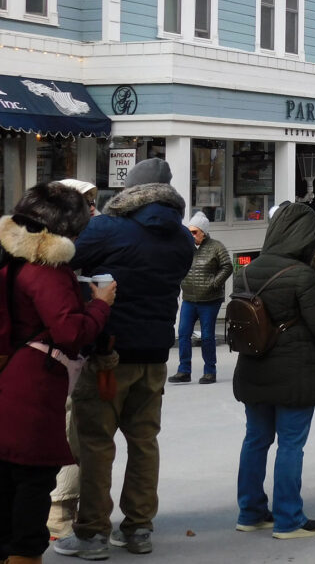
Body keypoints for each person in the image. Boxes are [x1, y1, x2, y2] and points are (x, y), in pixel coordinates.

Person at [56, 158, 195, 559]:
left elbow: (66, 261)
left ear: (129, 192)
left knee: (96, 444)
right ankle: (138, 529)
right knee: (144, 440)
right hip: (155, 353)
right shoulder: (184, 238)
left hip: (108, 353)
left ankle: (92, 533)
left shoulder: (106, 228)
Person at [0, 183, 115, 564]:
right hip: (33, 387)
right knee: (32, 482)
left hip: (10, 379)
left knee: (9, 481)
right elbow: (71, 332)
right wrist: (100, 305)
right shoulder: (45, 272)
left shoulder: (11, 261)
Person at [233, 204, 315, 539]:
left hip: (253, 368)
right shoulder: (302, 274)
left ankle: (250, 512)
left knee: (256, 439)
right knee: (291, 445)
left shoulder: (246, 270)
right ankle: (288, 519)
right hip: (294, 372)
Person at [47, 180, 98, 541]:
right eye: (86, 203)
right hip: (59, 359)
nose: (93, 209)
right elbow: (66, 325)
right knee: (69, 429)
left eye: (94, 202)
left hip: (71, 357)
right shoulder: (55, 259)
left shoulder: (85, 244)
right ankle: (60, 510)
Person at [169, 211, 233, 385]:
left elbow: (227, 266)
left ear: (204, 232)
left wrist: (215, 282)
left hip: (209, 300)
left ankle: (210, 371)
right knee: (183, 334)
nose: (191, 235)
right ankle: (184, 370)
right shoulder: (185, 247)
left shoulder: (216, 246)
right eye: (189, 231)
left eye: (195, 232)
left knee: (207, 336)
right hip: (189, 298)